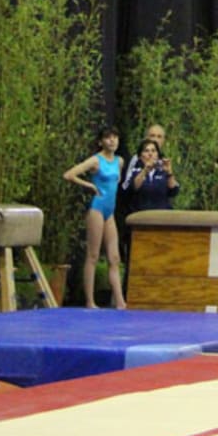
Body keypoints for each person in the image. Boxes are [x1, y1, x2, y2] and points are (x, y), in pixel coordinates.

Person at [63, 126, 128, 310]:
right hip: (97, 208)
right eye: (108, 138)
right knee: (92, 255)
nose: (112, 141)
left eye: (115, 137)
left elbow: (116, 182)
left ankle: (120, 301)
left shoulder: (119, 161)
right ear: (101, 141)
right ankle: (90, 301)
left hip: (110, 211)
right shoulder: (96, 160)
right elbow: (69, 174)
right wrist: (89, 186)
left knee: (114, 258)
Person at [125, 139, 179, 212]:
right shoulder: (135, 171)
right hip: (140, 214)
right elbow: (133, 188)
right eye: (146, 151)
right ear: (140, 156)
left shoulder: (162, 171)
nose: (150, 154)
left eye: (153, 151)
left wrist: (169, 172)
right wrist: (145, 171)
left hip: (162, 214)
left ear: (157, 155)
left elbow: (173, 191)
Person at [122, 123, 166, 191]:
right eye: (152, 136)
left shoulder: (165, 161)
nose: (155, 139)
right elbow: (126, 185)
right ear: (146, 138)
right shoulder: (137, 158)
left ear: (163, 140)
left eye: (159, 136)